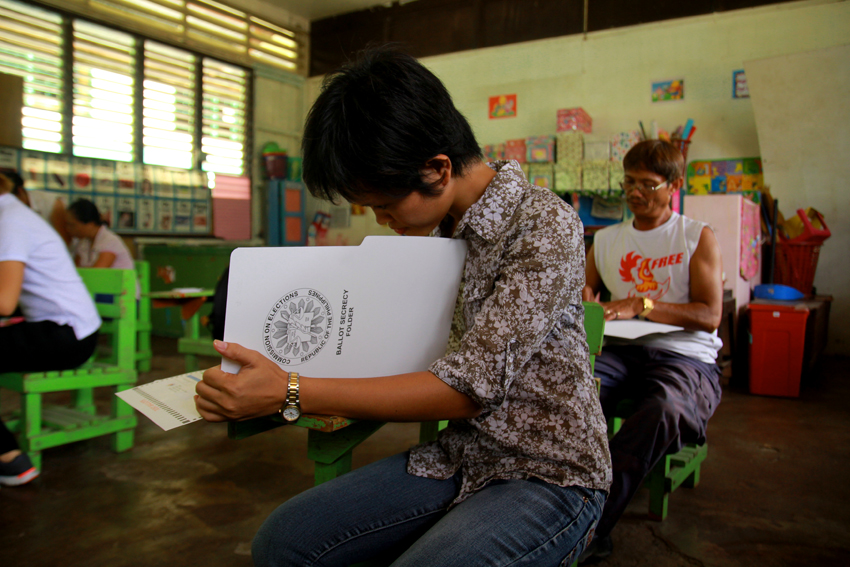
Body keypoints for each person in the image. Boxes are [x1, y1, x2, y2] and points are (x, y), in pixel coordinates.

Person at [195, 47, 611, 567]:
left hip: (549, 472)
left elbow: (467, 389)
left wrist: (290, 388)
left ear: (437, 169)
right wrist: (260, 373)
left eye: (385, 205)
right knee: (284, 542)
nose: (379, 220)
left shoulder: (542, 225)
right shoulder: (431, 232)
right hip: (459, 455)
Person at [579, 140, 724, 563]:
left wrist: (640, 304)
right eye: (629, 181)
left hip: (684, 354)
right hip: (621, 350)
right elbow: (587, 296)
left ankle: (593, 525)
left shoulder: (695, 236)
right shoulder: (605, 240)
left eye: (647, 183)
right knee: (574, 387)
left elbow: (710, 314)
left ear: (674, 186)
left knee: (663, 407)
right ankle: (562, 495)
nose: (634, 192)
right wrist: (588, 299)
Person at [0, 171, 101, 486]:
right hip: (59, 328)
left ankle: (8, 457)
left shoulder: (11, 222)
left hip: (68, 335)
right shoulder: (13, 215)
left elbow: (5, 302)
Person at [64, 198, 134, 269]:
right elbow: (75, 271)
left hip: (116, 280)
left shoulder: (110, 241)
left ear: (90, 224)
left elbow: (97, 273)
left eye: (72, 225)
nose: (68, 229)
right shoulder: (83, 242)